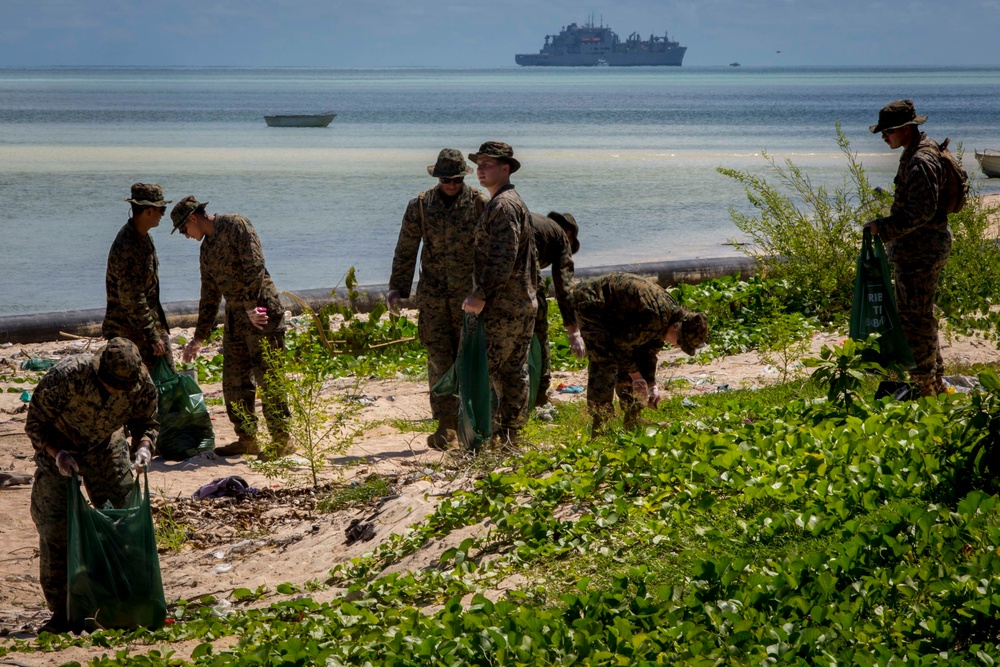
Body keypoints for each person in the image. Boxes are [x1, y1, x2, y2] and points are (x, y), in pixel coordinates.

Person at [27, 337, 157, 634]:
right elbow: (35, 424)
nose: (117, 391)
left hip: (105, 446)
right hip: (59, 448)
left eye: (123, 388)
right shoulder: (66, 376)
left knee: (124, 518)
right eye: (112, 385)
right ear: (99, 374)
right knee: (55, 529)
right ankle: (62, 611)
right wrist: (56, 454)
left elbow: (146, 420)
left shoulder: (140, 381)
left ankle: (124, 598)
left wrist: (144, 446)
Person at [171, 196, 291, 458]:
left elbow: (255, 267)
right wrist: (199, 338)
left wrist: (251, 305)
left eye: (183, 229)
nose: (186, 235)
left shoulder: (237, 225)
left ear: (193, 218)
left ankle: (282, 440)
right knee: (234, 383)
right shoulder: (206, 250)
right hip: (236, 318)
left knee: (269, 378)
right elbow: (209, 295)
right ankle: (247, 439)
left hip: (262, 312)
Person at [386, 149, 489, 450]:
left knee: (469, 358)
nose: (451, 185)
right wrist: (397, 288)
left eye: (456, 180)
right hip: (432, 298)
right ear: (437, 178)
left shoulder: (480, 204)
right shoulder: (420, 205)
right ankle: (446, 425)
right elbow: (406, 248)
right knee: (438, 361)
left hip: (467, 298)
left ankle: (473, 422)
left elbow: (490, 251)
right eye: (446, 179)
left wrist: (486, 291)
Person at [865, 99, 951, 396]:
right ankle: (934, 384)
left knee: (914, 322)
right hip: (921, 249)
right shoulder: (918, 152)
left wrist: (883, 228)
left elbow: (922, 211)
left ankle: (924, 386)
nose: (883, 138)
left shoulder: (921, 160)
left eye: (887, 132)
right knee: (920, 318)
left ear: (904, 129)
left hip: (920, 252)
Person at [462, 141, 538, 446]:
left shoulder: (504, 205)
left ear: (505, 168)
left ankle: (487, 439)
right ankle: (511, 439)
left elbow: (503, 257)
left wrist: (480, 294)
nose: (480, 169)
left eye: (487, 164)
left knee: (486, 371)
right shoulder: (510, 201)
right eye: (478, 164)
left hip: (504, 305)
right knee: (512, 373)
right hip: (520, 303)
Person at [568, 272, 708, 432]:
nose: (677, 347)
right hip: (591, 302)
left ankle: (632, 417)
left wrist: (650, 383)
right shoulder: (655, 317)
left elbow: (647, 354)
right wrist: (636, 376)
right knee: (605, 361)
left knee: (633, 367)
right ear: (676, 329)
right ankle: (601, 424)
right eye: (680, 342)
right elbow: (621, 347)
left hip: (614, 313)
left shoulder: (666, 320)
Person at [103, 183, 174, 374]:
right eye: (161, 209)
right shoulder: (128, 247)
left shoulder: (144, 238)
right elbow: (132, 298)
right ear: (148, 211)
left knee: (167, 380)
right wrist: (152, 335)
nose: (162, 214)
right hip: (131, 332)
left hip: (147, 326)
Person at [531, 211, 584, 406]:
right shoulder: (560, 237)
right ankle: (539, 398)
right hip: (522, 287)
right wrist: (573, 331)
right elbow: (564, 286)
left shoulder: (538, 224)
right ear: (568, 232)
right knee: (538, 331)